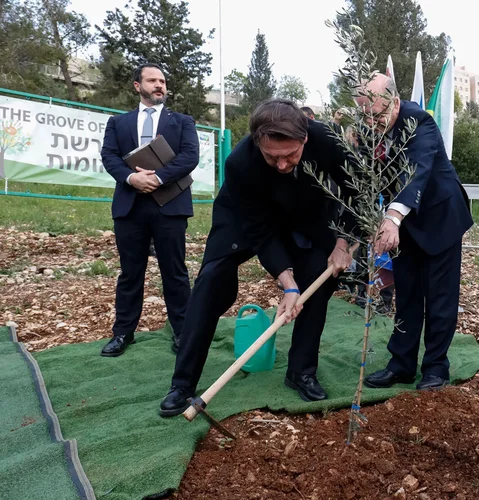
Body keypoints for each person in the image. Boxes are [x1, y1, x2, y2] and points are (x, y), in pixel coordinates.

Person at [159, 99, 356, 417]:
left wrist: (343, 243)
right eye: (271, 157)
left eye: (290, 155)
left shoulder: (328, 140)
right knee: (211, 282)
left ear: (305, 138)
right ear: (257, 142)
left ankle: (301, 372)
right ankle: (182, 383)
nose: (281, 165)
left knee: (318, 278)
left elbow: (354, 190)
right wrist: (287, 282)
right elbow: (260, 231)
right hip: (245, 218)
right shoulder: (240, 163)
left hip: (307, 214)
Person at [357, 74, 474, 391]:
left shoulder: (419, 121)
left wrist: (393, 216)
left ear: (394, 101)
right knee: (407, 294)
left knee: (440, 297)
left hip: (440, 218)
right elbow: (367, 177)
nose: (372, 123)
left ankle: (436, 368)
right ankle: (401, 365)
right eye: (365, 115)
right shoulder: (369, 127)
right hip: (403, 227)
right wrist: (371, 221)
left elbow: (415, 171)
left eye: (377, 115)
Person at [100, 63, 198, 357]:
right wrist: (132, 178)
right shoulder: (118, 123)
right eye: (152, 81)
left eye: (163, 81)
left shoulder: (182, 122)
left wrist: (156, 178)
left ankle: (183, 333)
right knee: (130, 273)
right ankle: (123, 333)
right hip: (130, 207)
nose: (159, 86)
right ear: (137, 86)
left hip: (169, 206)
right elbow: (109, 156)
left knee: (175, 272)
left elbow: (190, 156)